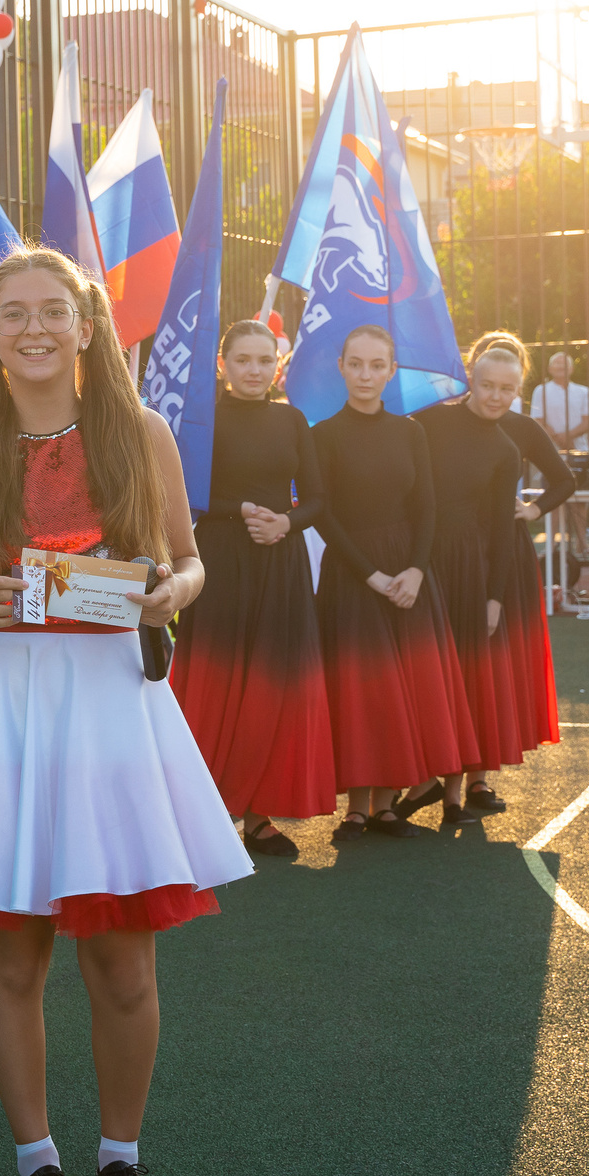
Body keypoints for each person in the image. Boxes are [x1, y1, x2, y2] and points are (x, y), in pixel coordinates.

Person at [0, 245, 243, 1176]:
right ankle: (37, 1170)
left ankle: (120, 1160)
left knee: (124, 964)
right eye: (12, 314)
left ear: (85, 325)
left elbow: (188, 560)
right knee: (12, 955)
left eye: (53, 311)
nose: (34, 329)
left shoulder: (141, 436)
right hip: (1, 715)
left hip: (114, 710)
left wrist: (175, 589)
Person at [169, 320, 334, 858]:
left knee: (271, 680)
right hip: (219, 559)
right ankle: (204, 809)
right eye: (243, 359)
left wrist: (286, 522)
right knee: (215, 678)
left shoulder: (292, 420)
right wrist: (239, 510)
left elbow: (316, 499)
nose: (255, 370)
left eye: (265, 360)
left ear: (277, 366)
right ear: (223, 364)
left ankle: (259, 814)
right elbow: (184, 498)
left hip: (278, 560)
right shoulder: (201, 419)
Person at [311, 324, 478, 840]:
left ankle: (385, 806)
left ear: (391, 371)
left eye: (376, 365)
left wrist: (414, 570)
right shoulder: (322, 435)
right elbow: (324, 516)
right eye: (356, 363)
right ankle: (356, 809)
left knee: (402, 687)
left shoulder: (410, 431)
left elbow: (426, 508)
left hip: (408, 576)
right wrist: (372, 574)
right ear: (340, 367)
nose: (366, 374)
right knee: (359, 690)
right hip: (352, 572)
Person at [439, 332, 575, 815]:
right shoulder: (440, 419)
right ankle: (438, 774)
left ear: (519, 383)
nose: (496, 394)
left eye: (507, 386)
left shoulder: (520, 428)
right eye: (487, 384)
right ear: (472, 375)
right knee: (450, 662)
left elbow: (565, 480)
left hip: (503, 556)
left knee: (490, 666)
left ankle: (478, 778)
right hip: (451, 553)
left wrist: (532, 511)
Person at [528, 350, 589, 601]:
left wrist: (567, 434)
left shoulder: (582, 391)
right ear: (549, 368)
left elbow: (588, 421)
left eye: (564, 364)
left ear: (571, 368)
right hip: (551, 452)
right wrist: (555, 437)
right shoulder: (541, 391)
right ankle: (553, 545)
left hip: (580, 451)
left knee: (580, 500)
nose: (560, 367)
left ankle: (582, 545)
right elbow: (538, 420)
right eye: (555, 363)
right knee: (553, 498)